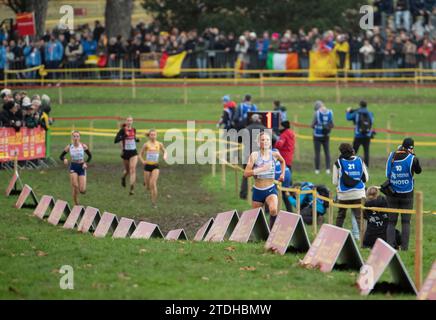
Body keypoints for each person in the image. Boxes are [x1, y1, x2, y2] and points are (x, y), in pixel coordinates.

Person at [384, 138, 422, 251]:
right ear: (411, 147)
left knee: (391, 222)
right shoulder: (412, 159)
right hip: (407, 194)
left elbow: (387, 173)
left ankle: (390, 247)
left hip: (392, 193)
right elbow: (419, 171)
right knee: (406, 222)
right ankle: (404, 248)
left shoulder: (392, 155)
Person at [244, 131, 285, 229]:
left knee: (273, 209)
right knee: (256, 216)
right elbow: (246, 174)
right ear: (258, 143)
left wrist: (282, 174)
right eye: (262, 140)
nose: (265, 141)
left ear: (270, 143)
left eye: (267, 140)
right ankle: (261, 234)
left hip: (270, 189)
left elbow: (283, 161)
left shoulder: (275, 155)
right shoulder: (254, 155)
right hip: (258, 190)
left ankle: (272, 233)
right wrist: (261, 169)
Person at [333, 143, 369, 241]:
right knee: (359, 217)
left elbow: (335, 182)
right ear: (352, 150)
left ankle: (336, 236)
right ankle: (364, 239)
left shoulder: (338, 163)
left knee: (340, 216)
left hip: (343, 195)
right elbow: (366, 178)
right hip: (359, 194)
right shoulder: (359, 160)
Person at [59, 131, 92, 205]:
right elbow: (61, 156)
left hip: (81, 167)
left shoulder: (83, 146)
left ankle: (83, 182)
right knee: (75, 186)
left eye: (77, 136)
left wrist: (85, 163)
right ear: (72, 138)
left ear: (79, 137)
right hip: (73, 166)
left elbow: (90, 156)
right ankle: (76, 204)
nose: (76, 138)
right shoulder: (69, 146)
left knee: (82, 190)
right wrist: (64, 159)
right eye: (74, 136)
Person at [239, 114, 266, 199]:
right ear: (259, 120)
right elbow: (273, 139)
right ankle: (260, 194)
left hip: (247, 155)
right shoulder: (263, 128)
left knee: (245, 175)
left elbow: (239, 139)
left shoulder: (246, 129)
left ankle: (243, 194)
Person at [139, 129, 167, 209]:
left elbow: (165, 151)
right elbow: (140, 154)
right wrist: (143, 161)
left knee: (153, 183)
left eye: (154, 135)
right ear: (149, 135)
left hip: (155, 166)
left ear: (156, 135)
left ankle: (154, 202)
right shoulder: (146, 145)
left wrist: (165, 156)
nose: (153, 136)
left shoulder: (159, 144)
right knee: (148, 187)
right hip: (147, 166)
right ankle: (146, 183)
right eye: (151, 135)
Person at [114, 116, 139, 195]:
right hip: (125, 153)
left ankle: (132, 188)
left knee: (133, 169)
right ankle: (123, 177)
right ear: (126, 122)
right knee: (127, 171)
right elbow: (116, 140)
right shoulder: (122, 130)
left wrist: (137, 140)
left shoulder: (134, 129)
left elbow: (134, 138)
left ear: (132, 122)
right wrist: (125, 136)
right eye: (128, 120)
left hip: (133, 152)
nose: (129, 122)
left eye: (130, 120)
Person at [346, 100, 374, 167]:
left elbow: (348, 118)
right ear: (366, 105)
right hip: (367, 135)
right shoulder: (370, 113)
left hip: (358, 135)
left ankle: (351, 163)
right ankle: (366, 166)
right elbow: (372, 121)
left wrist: (347, 111)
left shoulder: (357, 113)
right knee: (366, 151)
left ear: (360, 105)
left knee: (354, 150)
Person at [312, 100, 334, 174]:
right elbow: (332, 124)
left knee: (317, 153)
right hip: (326, 136)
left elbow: (312, 124)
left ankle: (317, 170)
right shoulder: (330, 112)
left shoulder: (317, 113)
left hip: (317, 135)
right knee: (327, 152)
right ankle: (328, 169)